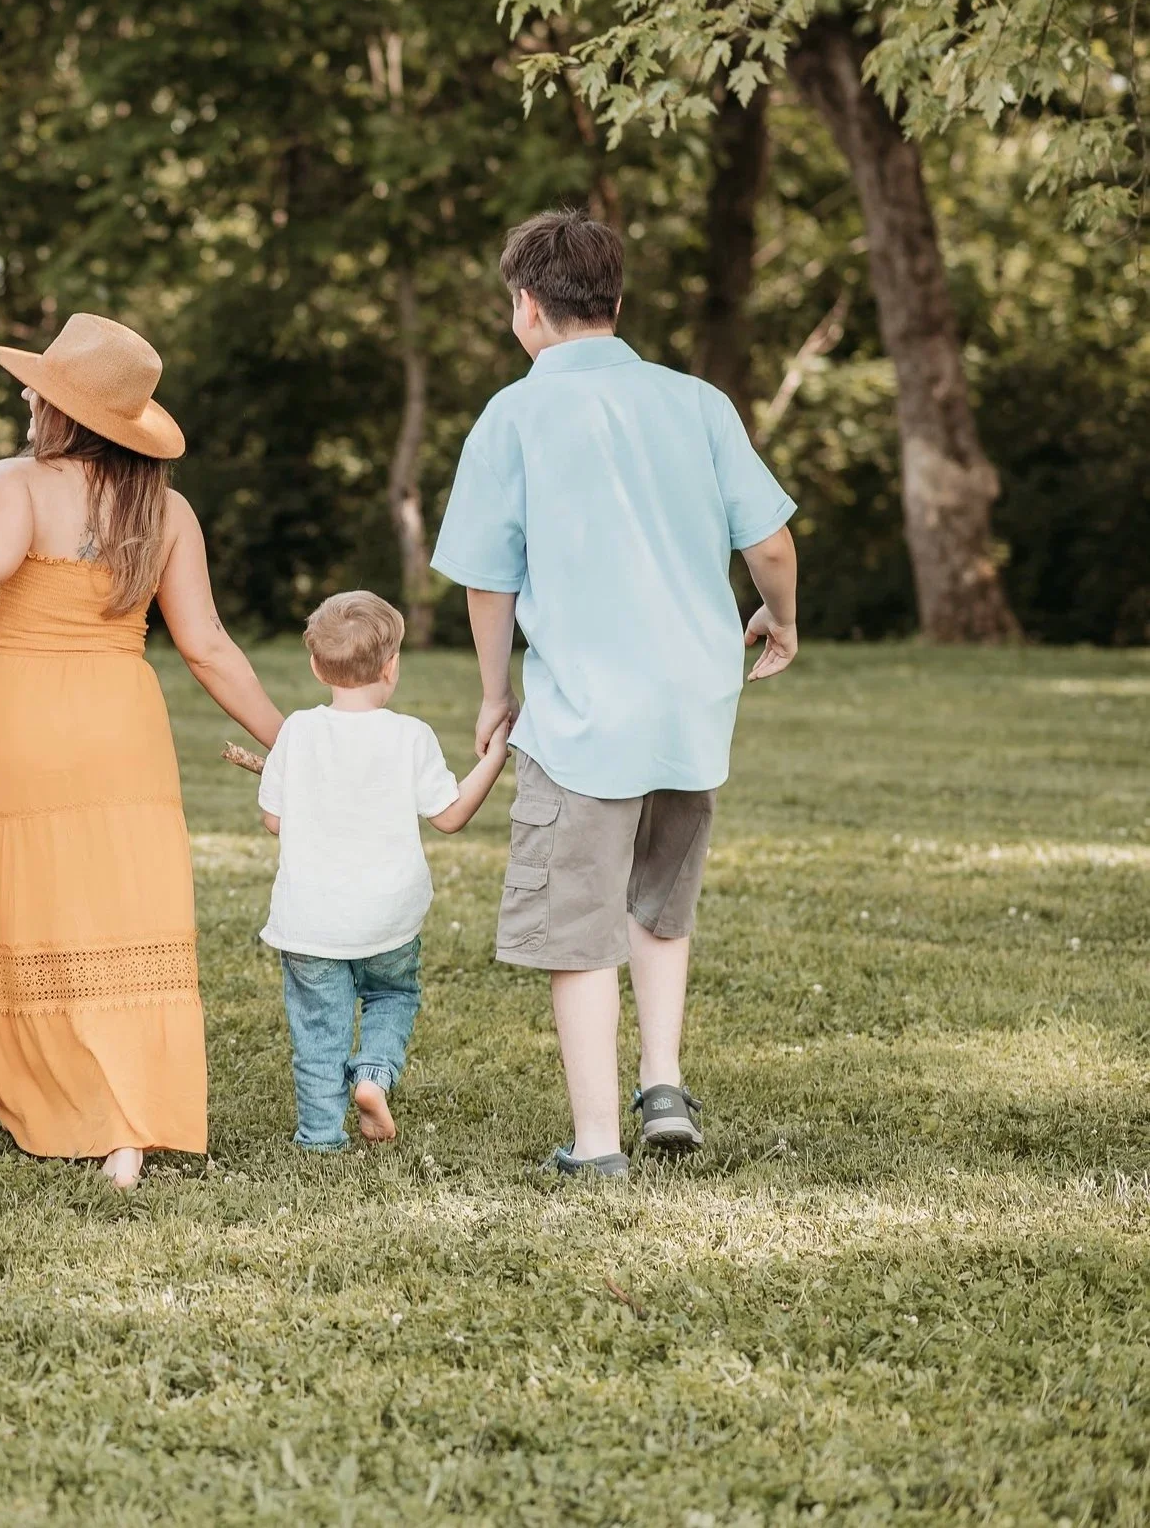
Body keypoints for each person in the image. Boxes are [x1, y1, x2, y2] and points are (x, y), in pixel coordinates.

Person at [431, 207, 801, 1179]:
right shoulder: (695, 402)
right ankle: (663, 1084)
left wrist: (492, 689)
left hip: (584, 716)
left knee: (579, 924)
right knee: (660, 898)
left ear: (524, 308)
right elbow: (766, 541)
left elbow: (486, 577)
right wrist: (779, 617)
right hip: (692, 704)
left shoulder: (512, 414)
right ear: (617, 302)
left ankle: (597, 1144)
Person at [0, 313, 283, 1189]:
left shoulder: (17, 482)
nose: (24, 396)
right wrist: (289, 739)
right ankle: (129, 1119)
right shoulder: (165, 510)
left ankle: (48, 1090)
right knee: (121, 909)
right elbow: (206, 644)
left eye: (38, 389)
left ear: (63, 412)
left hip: (16, 713)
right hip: (121, 722)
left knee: (28, 902)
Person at [247, 591, 510, 1152]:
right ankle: (373, 1075)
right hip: (388, 917)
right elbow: (450, 815)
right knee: (392, 996)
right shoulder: (409, 735)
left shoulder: (296, 731)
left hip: (311, 919)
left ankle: (319, 1137)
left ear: (317, 666)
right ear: (392, 666)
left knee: (319, 1030)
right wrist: (495, 757)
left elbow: (273, 820)